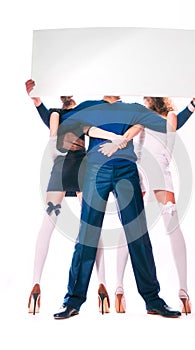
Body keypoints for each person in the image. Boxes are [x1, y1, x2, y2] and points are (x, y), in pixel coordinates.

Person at [52, 93, 195, 320]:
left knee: (137, 234)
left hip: (126, 170)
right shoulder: (90, 105)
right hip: (95, 171)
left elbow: (165, 124)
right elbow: (62, 121)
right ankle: (73, 301)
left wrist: (194, 104)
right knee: (87, 235)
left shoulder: (133, 107)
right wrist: (38, 102)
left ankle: (153, 300)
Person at [97, 81, 195, 314]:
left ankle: (118, 288)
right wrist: (194, 105)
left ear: (148, 99)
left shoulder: (145, 117)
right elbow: (175, 123)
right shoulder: (170, 117)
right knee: (172, 227)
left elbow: (130, 136)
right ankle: (184, 291)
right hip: (158, 173)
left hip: (138, 170)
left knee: (131, 230)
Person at [26, 80, 127, 315]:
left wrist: (58, 162)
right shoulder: (84, 113)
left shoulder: (55, 114)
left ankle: (35, 284)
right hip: (83, 168)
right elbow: (94, 131)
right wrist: (113, 136)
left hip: (62, 167)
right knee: (90, 225)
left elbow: (52, 142)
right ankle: (102, 284)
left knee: (49, 221)